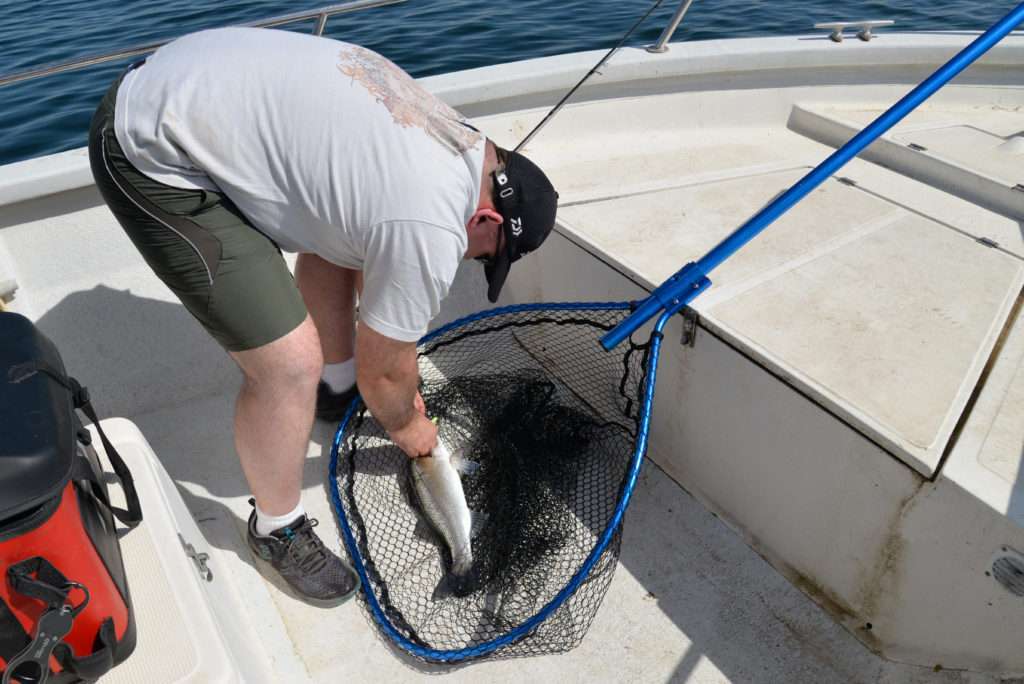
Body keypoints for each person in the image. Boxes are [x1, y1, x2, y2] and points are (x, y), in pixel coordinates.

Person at [87, 27, 558, 607]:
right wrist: (414, 432)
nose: (469, 262)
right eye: (484, 255)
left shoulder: (458, 138)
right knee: (288, 366)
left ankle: (332, 391)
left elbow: (360, 240)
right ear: (487, 217)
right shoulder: (432, 222)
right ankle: (276, 528)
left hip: (182, 83)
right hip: (149, 153)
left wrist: (371, 380)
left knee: (343, 246)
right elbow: (385, 374)